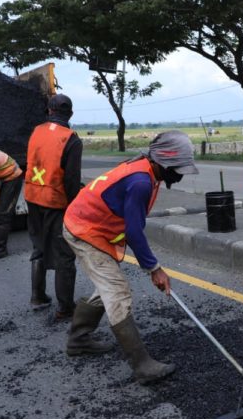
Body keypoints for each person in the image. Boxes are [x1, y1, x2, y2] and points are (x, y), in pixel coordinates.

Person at [61, 131, 198, 385]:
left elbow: (132, 225)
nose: (179, 175)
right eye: (177, 169)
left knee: (107, 285)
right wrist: (154, 269)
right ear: (162, 162)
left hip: (90, 226)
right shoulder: (141, 181)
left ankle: (78, 339)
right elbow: (134, 232)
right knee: (117, 290)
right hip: (83, 230)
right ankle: (142, 365)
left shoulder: (147, 171)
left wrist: (152, 267)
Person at [24, 94, 83, 321]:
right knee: (64, 255)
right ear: (70, 114)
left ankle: (38, 296)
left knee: (39, 246)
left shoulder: (36, 131)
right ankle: (66, 307)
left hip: (32, 196)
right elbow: (71, 180)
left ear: (49, 111)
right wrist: (75, 208)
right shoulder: (71, 140)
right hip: (56, 202)